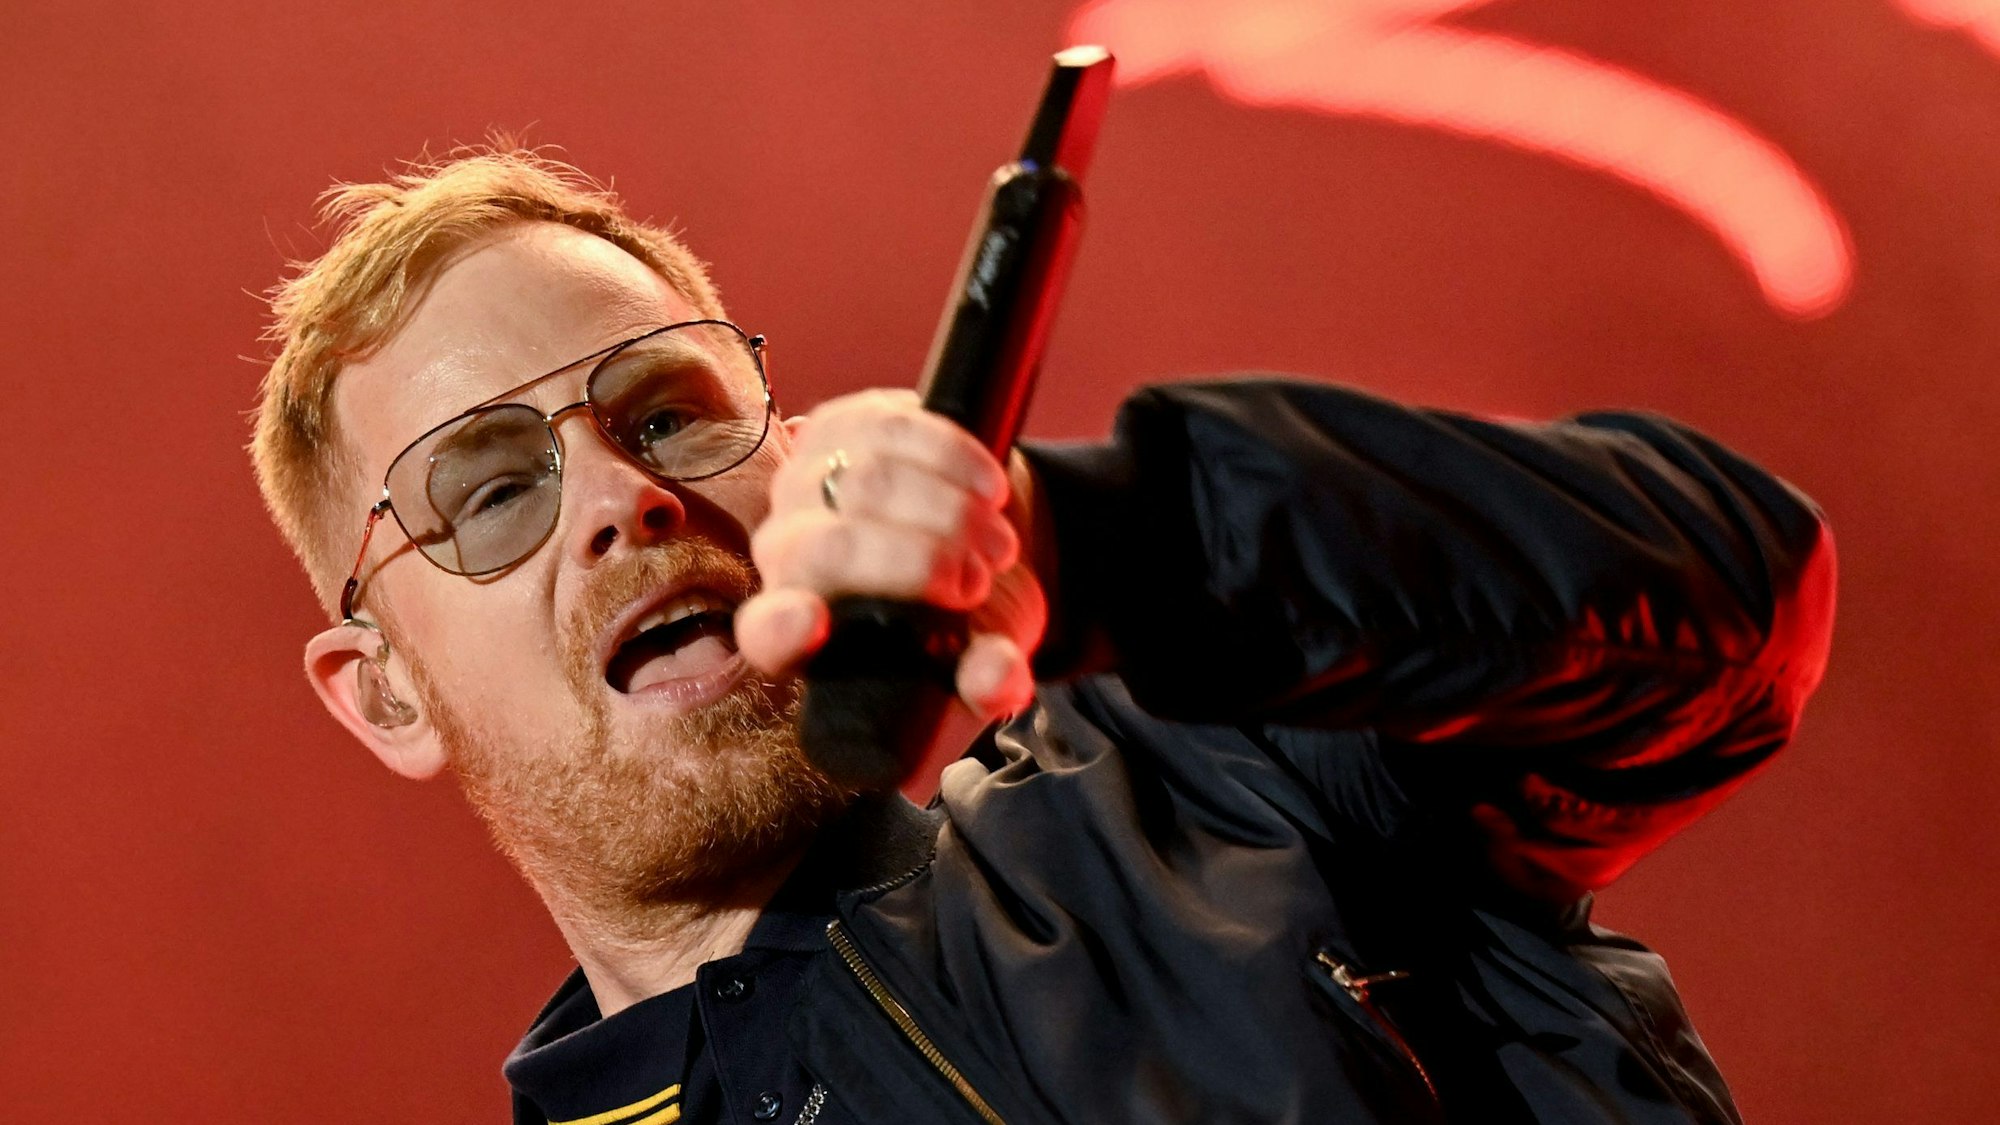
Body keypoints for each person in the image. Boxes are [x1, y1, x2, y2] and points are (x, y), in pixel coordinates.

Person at [250, 148, 1835, 1125]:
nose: (621, 499)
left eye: (669, 414)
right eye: (492, 490)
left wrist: (1104, 542)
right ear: (381, 691)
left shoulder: (1206, 794)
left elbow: (1734, 599)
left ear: (791, 452)